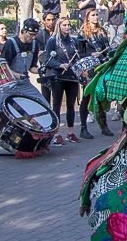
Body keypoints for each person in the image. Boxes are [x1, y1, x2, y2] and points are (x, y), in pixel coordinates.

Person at [0, 18, 47, 152]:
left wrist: (41, 71)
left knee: (45, 106)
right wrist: (19, 75)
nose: (32, 38)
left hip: (24, 84)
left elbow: (32, 67)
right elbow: (4, 67)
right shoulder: (11, 44)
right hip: (7, 84)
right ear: (23, 31)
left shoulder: (35, 45)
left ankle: (42, 143)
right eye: (30, 35)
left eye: (35, 35)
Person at [76, 9, 112, 139]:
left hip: (101, 65)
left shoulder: (102, 31)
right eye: (93, 15)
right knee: (86, 97)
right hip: (88, 68)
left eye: (97, 15)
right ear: (87, 17)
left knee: (102, 95)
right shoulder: (82, 33)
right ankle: (83, 128)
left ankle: (104, 126)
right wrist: (91, 54)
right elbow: (78, 54)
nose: (96, 17)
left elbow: (107, 48)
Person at [45, 17, 81, 145]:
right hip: (58, 77)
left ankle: (70, 133)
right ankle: (57, 134)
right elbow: (47, 60)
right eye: (64, 25)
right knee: (57, 105)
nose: (67, 27)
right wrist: (60, 65)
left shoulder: (73, 41)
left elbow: (77, 58)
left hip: (71, 77)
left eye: (69, 25)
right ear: (59, 26)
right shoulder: (52, 41)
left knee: (71, 105)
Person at [36, 13, 56, 105]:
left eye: (52, 20)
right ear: (44, 21)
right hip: (45, 64)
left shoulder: (57, 33)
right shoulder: (40, 35)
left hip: (56, 63)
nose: (51, 22)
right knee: (45, 90)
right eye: (48, 20)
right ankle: (47, 109)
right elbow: (38, 51)